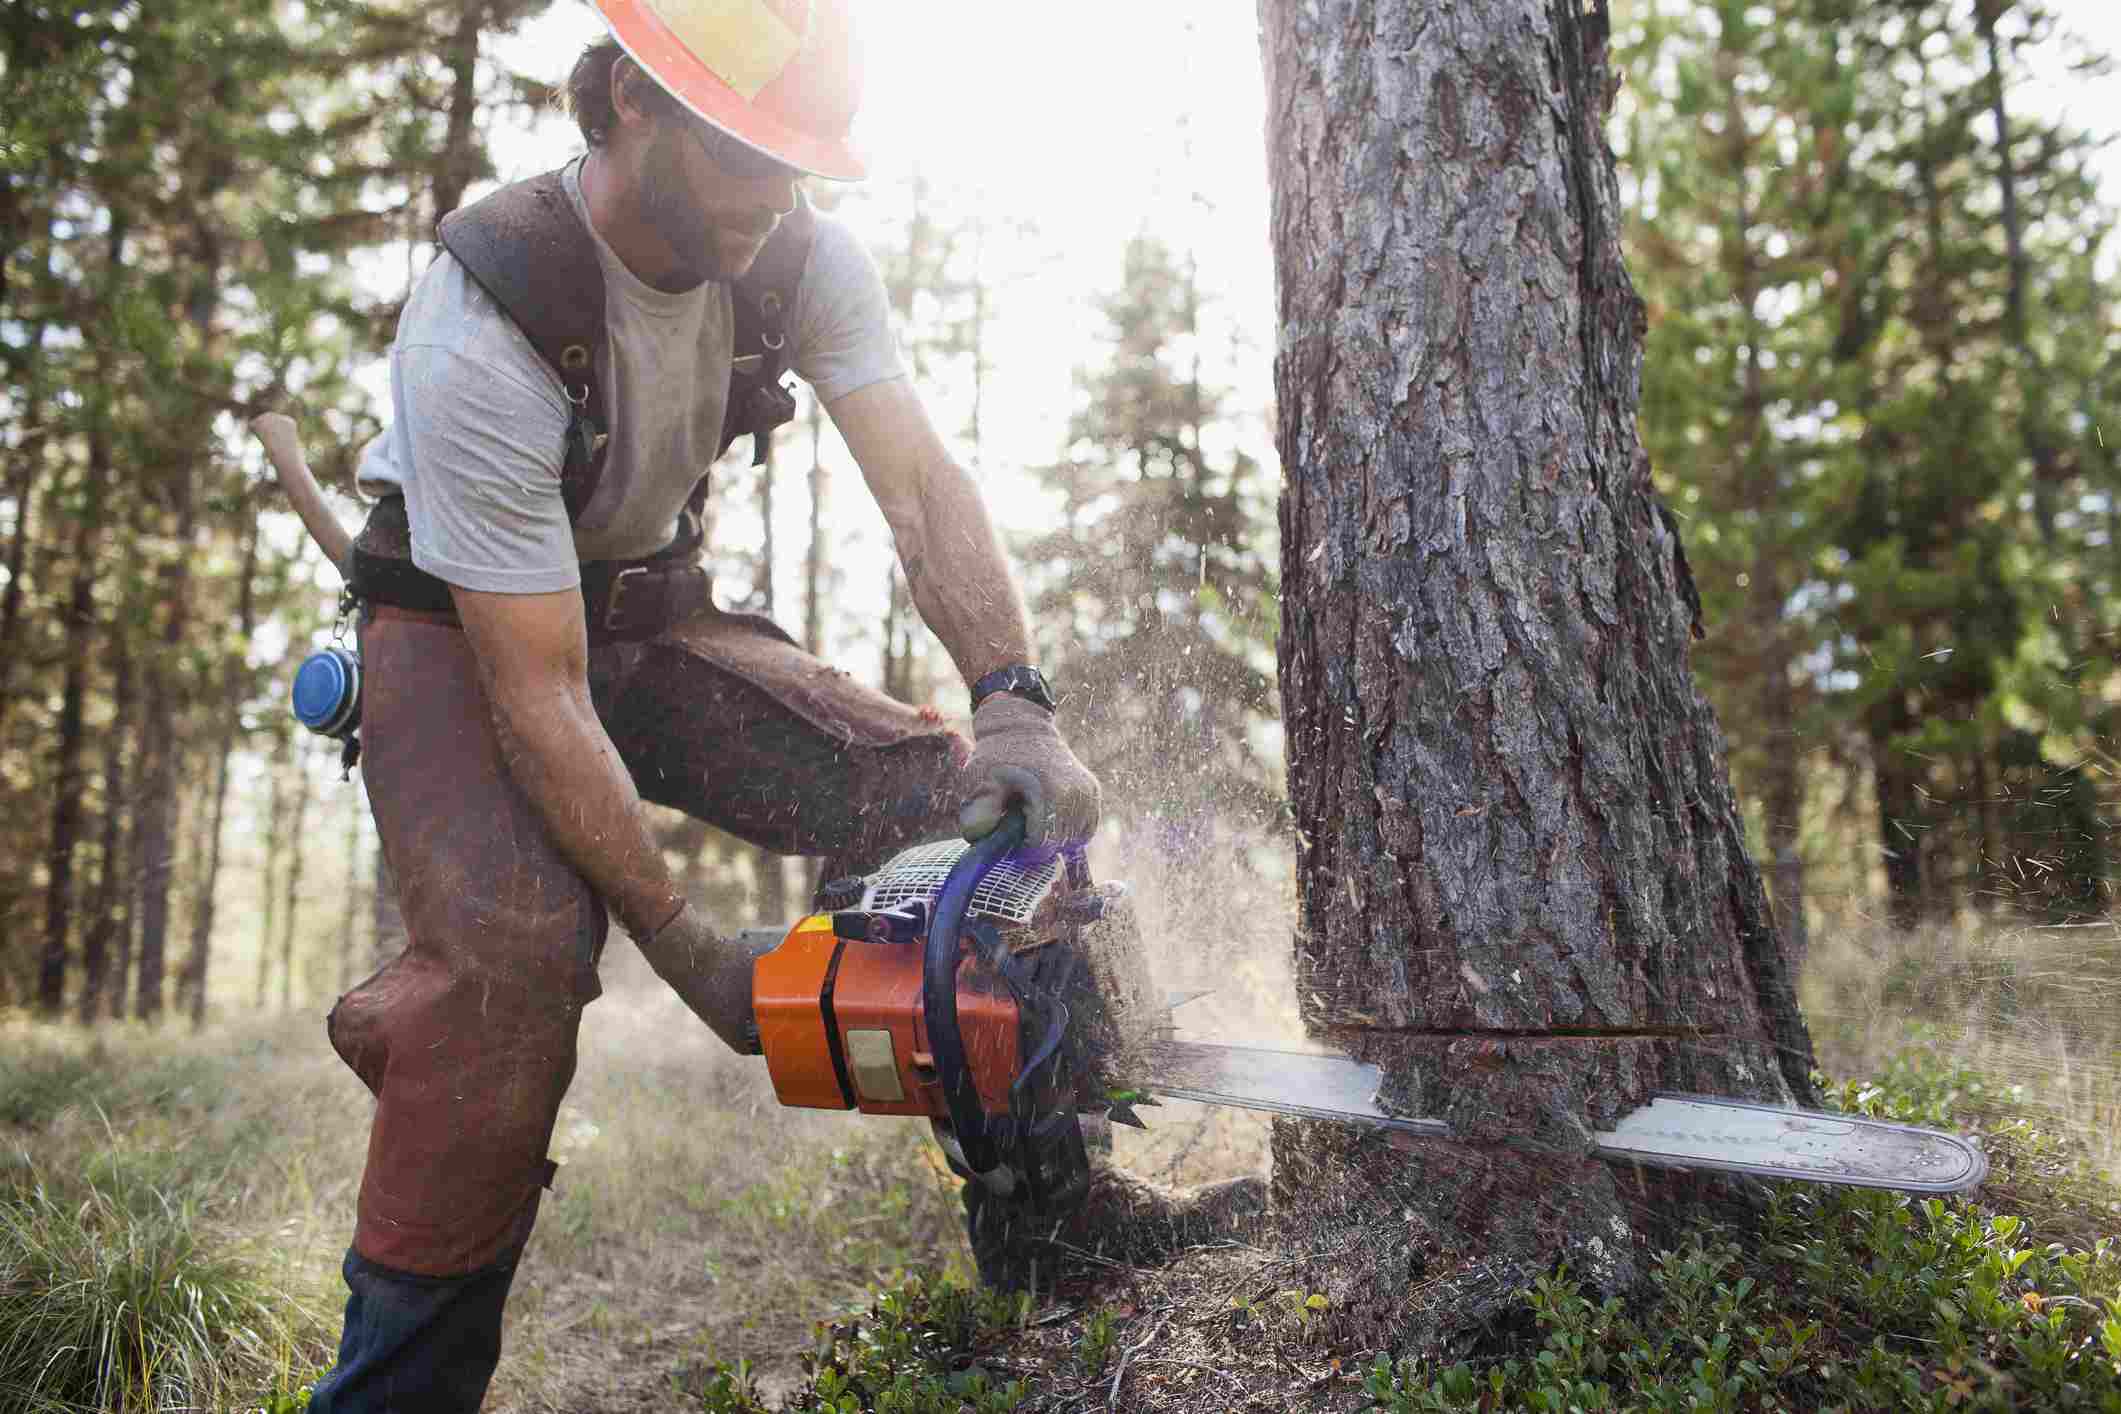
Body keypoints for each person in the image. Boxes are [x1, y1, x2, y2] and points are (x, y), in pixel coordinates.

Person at [306, 3, 1098, 1407]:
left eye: (796, 164)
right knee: (512, 972)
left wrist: (1011, 701)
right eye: (744, 153)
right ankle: (392, 1389)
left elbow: (916, 485)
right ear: (621, 105)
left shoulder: (794, 254)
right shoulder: (483, 313)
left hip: (644, 606)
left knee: (950, 795)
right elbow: (537, 687)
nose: (773, 197)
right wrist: (680, 943)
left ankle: (1059, 1231)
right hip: (458, 628)